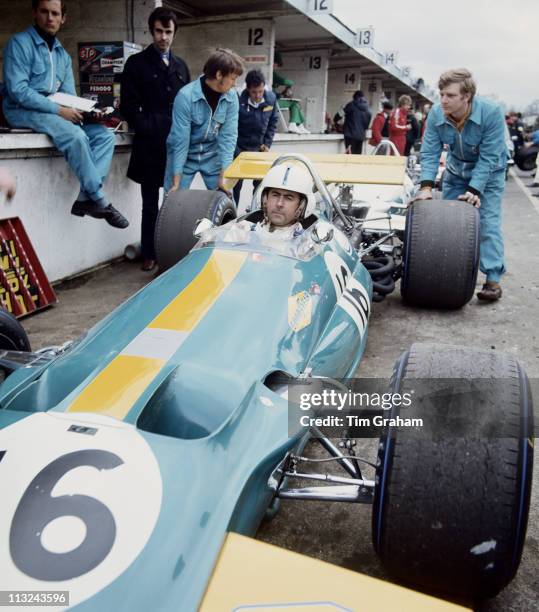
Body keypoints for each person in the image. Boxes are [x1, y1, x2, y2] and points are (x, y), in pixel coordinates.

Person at [2, 0, 128, 228]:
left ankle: (83, 199)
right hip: (21, 110)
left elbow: (69, 96)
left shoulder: (62, 55)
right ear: (35, 13)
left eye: (55, 13)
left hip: (55, 114)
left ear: (63, 18)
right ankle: (100, 200)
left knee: (105, 136)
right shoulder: (19, 43)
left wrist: (89, 113)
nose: (49, 18)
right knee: (76, 136)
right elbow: (18, 91)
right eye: (44, 12)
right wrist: (60, 110)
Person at [415, 68, 508, 301]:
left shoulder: (491, 113)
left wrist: (475, 190)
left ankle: (493, 280)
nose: (443, 100)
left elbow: (488, 157)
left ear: (466, 97)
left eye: (450, 95)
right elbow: (429, 152)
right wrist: (425, 188)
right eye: (441, 94)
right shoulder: (436, 113)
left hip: (490, 173)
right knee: (448, 225)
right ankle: (447, 274)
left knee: (487, 221)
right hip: (456, 172)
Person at [121, 7, 190, 272]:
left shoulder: (181, 66)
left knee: (173, 203)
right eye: (159, 31)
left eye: (168, 32)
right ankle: (148, 253)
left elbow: (189, 104)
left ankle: (168, 252)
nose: (163, 37)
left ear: (174, 33)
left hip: (176, 146)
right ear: (152, 31)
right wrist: (147, 126)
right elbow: (128, 104)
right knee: (149, 203)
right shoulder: (136, 64)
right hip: (149, 145)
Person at [165, 48, 243, 194]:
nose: (234, 84)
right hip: (185, 153)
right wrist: (176, 182)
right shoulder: (185, 96)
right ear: (219, 74)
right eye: (233, 78)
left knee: (225, 198)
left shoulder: (232, 97)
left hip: (212, 153)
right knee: (173, 202)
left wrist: (224, 174)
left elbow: (228, 137)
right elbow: (180, 140)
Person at [224, 164, 315, 246]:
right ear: (265, 199)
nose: (279, 204)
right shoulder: (242, 230)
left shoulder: (308, 243)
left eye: (288, 198)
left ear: (301, 206)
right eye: (275, 195)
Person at [233, 69, 278, 205]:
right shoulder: (237, 99)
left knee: (260, 186)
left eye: (260, 91)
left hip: (259, 150)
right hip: (239, 149)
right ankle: (231, 216)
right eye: (254, 92)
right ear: (247, 89)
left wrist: (267, 143)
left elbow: (273, 123)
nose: (258, 95)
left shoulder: (271, 99)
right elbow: (230, 127)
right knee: (235, 186)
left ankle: (255, 214)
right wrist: (235, 150)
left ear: (264, 86)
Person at [272, 51, 310, 135]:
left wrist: (281, 94)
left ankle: (299, 125)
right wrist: (287, 87)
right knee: (294, 103)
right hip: (272, 102)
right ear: (273, 63)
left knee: (296, 103)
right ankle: (294, 124)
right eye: (276, 65)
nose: (276, 67)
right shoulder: (272, 74)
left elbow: (273, 92)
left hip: (274, 99)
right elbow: (288, 82)